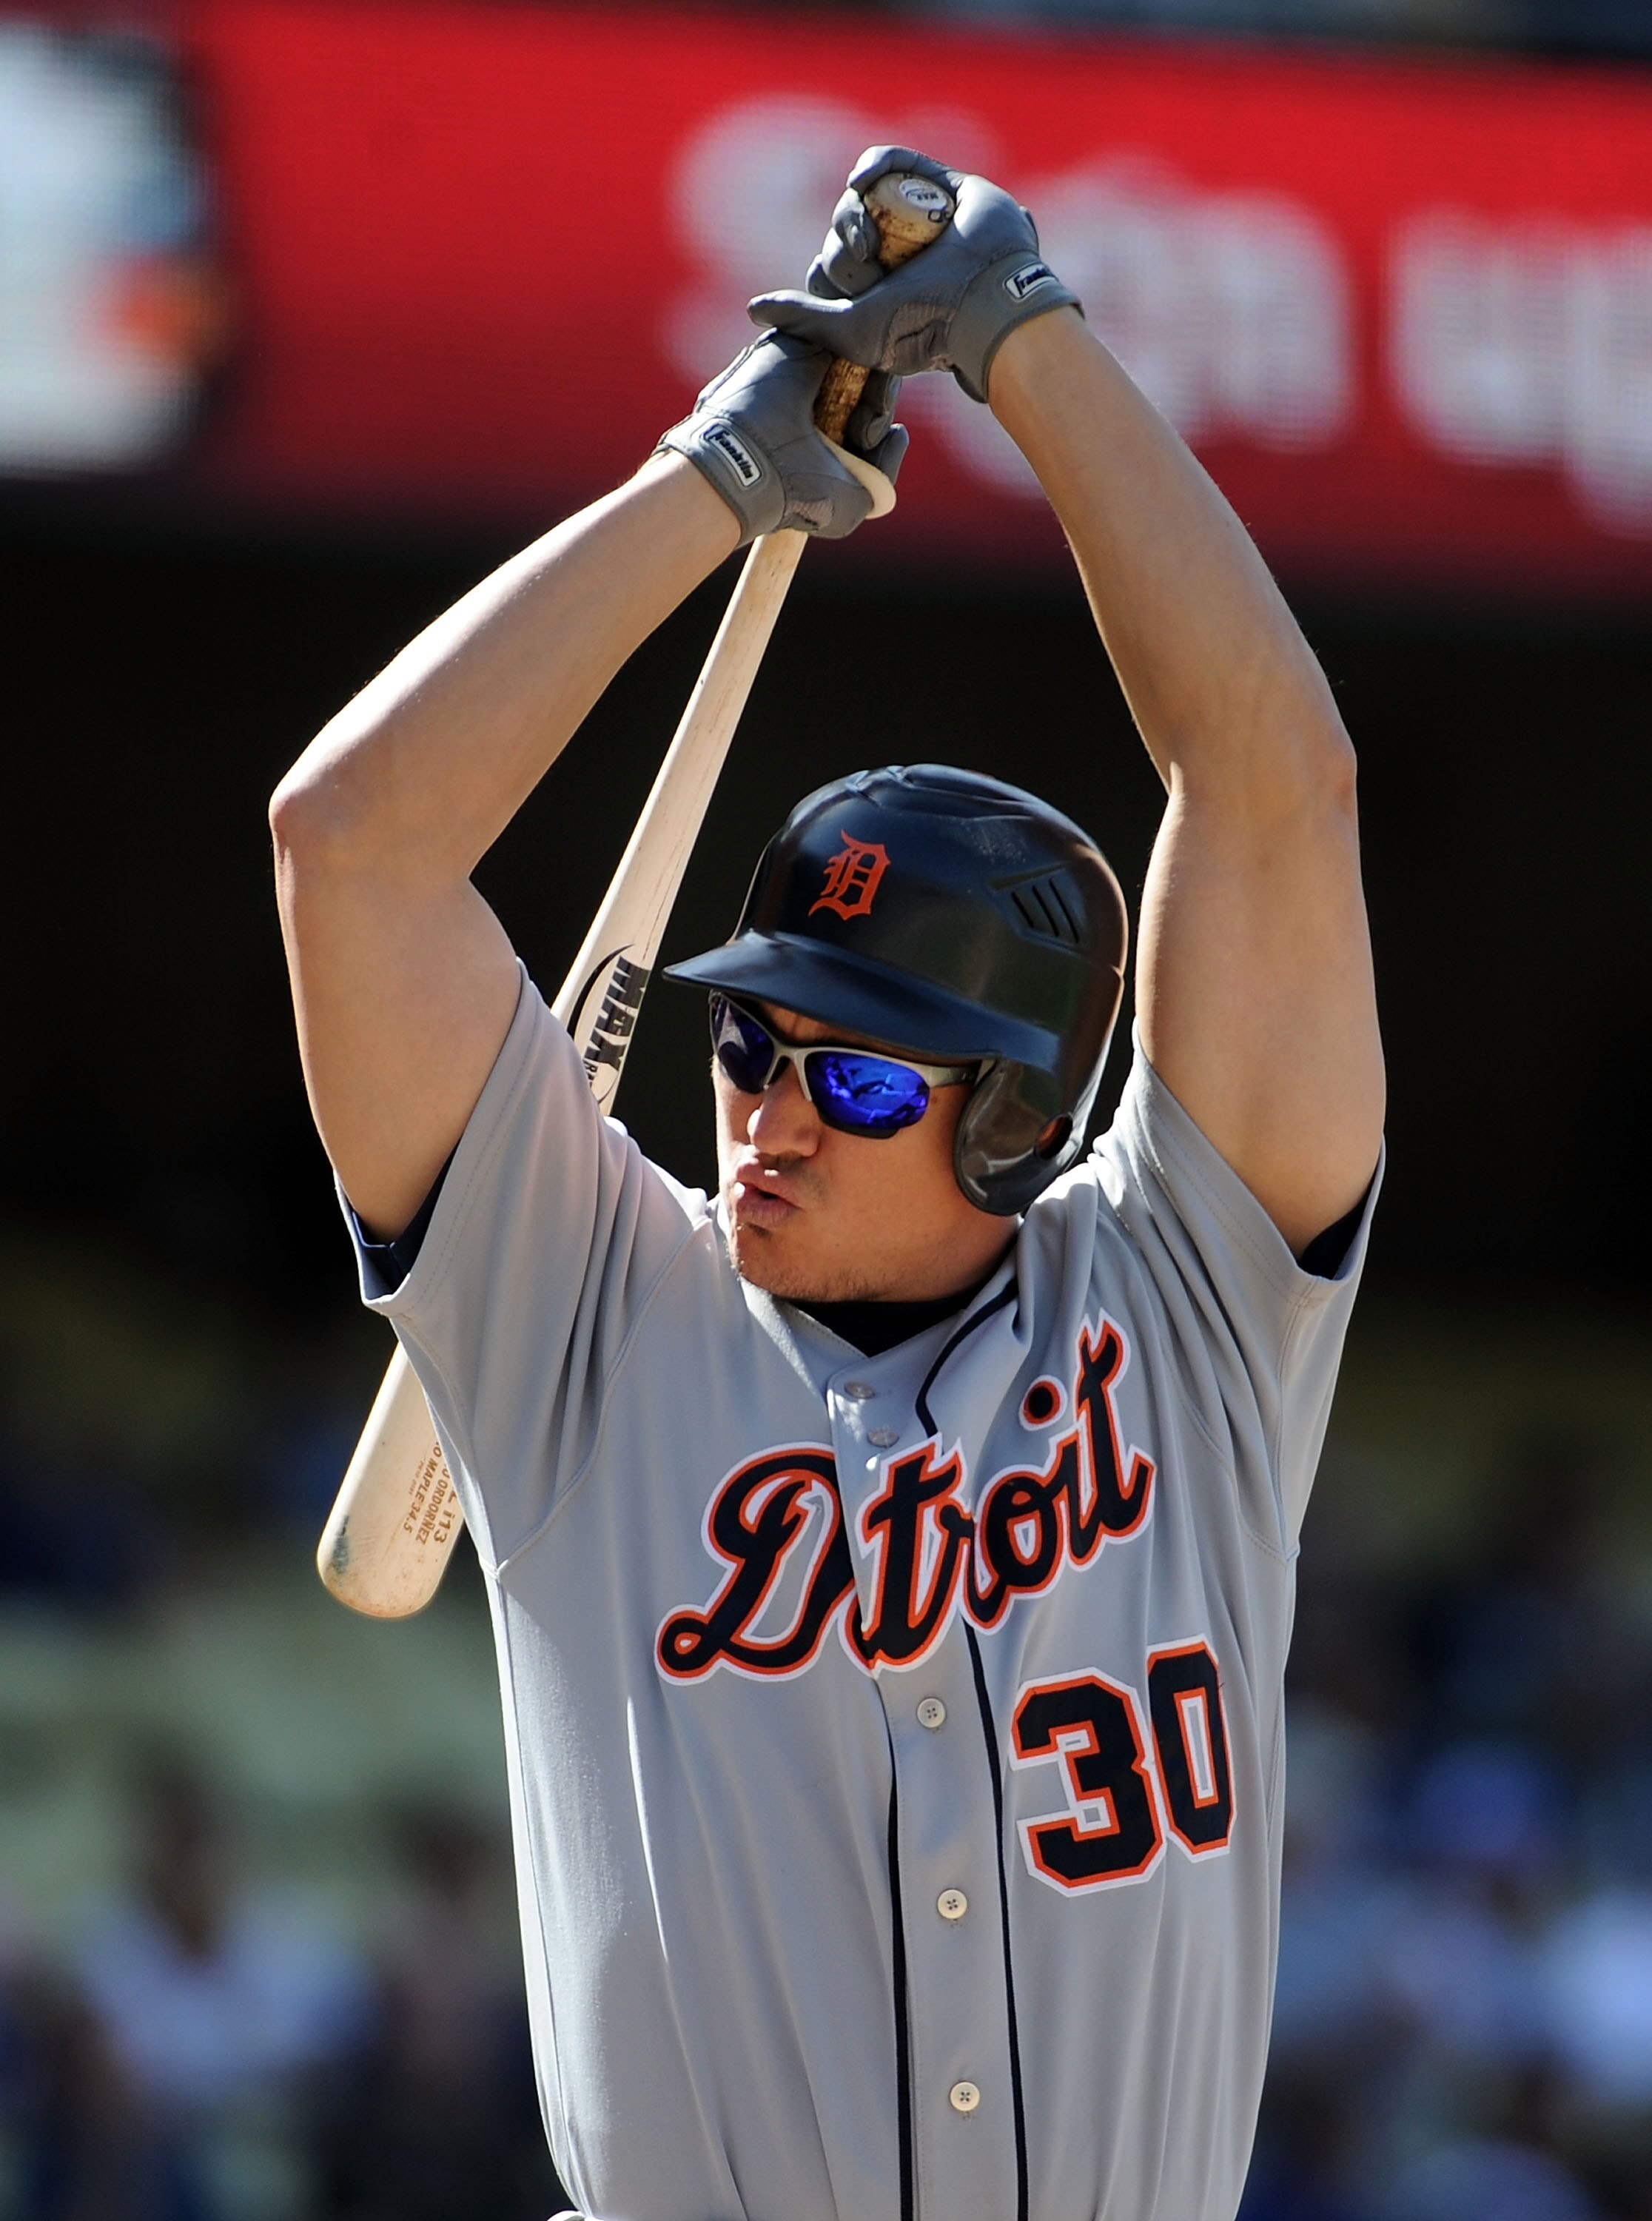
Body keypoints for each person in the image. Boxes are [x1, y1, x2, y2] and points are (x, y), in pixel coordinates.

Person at [270, 148, 1384, 2221]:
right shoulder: (586, 1313)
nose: (770, 1113)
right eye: (747, 1045)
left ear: (1016, 1115)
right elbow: (349, 847)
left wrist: (1019, 337)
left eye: (856, 1072)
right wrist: (711, 478)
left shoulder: (1196, 1315)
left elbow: (1272, 785)